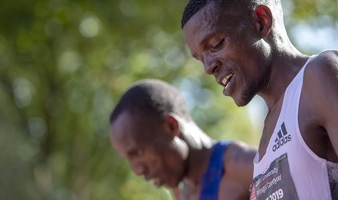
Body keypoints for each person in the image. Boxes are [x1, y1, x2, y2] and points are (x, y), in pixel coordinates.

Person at [181, 0, 338, 200]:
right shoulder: (264, 144)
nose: (208, 67)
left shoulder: (322, 75)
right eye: (200, 58)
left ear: (261, 21)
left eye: (216, 43)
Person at [109, 79, 256, 200]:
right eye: (128, 159)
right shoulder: (183, 192)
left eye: (138, 152)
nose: (137, 171)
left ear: (171, 127)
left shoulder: (244, 167)